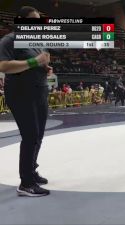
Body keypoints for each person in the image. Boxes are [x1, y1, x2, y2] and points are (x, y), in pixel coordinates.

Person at [0, 6, 51, 197]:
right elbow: (4, 66)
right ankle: (26, 183)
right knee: (30, 136)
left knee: (38, 135)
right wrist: (34, 62)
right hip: (21, 92)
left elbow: (41, 59)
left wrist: (45, 66)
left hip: (40, 90)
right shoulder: (10, 40)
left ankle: (31, 171)